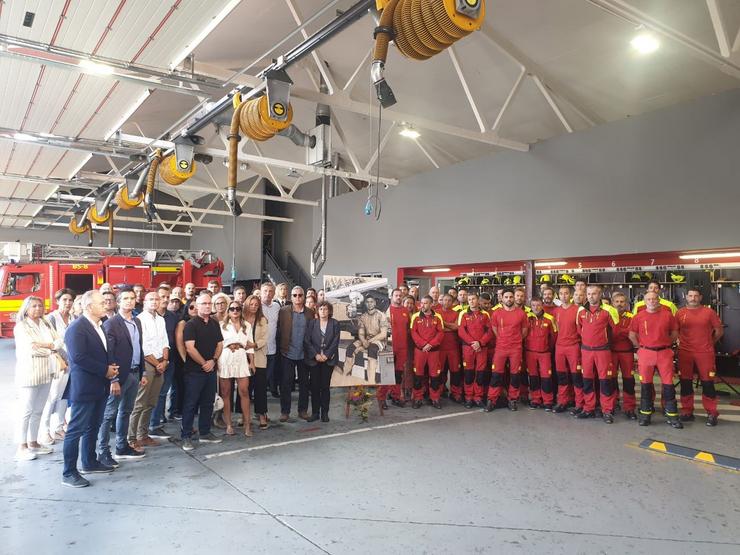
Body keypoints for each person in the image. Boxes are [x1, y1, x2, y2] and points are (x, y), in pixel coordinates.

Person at [62, 290, 119, 487]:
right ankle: (68, 472)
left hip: (99, 385)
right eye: (101, 302)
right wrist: (105, 370)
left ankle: (89, 461)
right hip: (85, 386)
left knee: (93, 425)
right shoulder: (76, 328)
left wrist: (110, 370)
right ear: (88, 306)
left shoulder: (99, 326)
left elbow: (104, 352)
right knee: (75, 429)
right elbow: (78, 358)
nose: (106, 304)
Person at [98, 289, 146, 466]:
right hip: (119, 376)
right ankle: (103, 452)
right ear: (118, 302)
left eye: (132, 298)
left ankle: (121, 446)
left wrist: (143, 372)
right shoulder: (111, 324)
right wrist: (114, 380)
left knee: (126, 411)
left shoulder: (137, 322)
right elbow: (109, 354)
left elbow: (139, 347)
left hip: (134, 374)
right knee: (109, 414)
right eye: (125, 298)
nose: (129, 301)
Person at [14, 296, 63, 461]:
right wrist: (50, 349)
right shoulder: (22, 326)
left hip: (47, 372)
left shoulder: (46, 323)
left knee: (38, 410)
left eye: (40, 306)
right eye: (34, 306)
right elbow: (31, 349)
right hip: (29, 373)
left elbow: (59, 341)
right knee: (26, 411)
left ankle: (34, 443)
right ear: (26, 309)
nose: (37, 309)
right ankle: (22, 446)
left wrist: (46, 345)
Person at [629, 291, 682, 429]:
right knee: (646, 384)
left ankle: (672, 415)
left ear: (659, 300)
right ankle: (645, 415)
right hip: (646, 353)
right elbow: (632, 335)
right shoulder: (639, 316)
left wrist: (665, 343)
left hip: (664, 353)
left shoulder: (667, 315)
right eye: (649, 299)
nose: (652, 301)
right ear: (645, 301)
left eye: (654, 299)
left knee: (668, 384)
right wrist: (641, 346)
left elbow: (675, 333)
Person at [181, 293, 224, 451]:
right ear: (196, 306)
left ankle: (205, 433)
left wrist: (213, 360)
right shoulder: (191, 325)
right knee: (191, 404)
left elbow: (220, 344)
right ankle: (186, 436)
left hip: (210, 370)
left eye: (208, 303)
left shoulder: (214, 323)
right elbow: (190, 348)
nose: (207, 306)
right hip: (194, 372)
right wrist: (204, 363)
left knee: (208, 403)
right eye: (203, 303)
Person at [127, 292, 169, 449]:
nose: (155, 301)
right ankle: (131, 438)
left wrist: (164, 361)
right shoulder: (139, 319)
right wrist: (157, 363)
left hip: (161, 362)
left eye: (157, 299)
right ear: (144, 302)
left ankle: (142, 434)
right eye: (151, 299)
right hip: (147, 363)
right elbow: (142, 346)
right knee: (140, 402)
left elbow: (165, 341)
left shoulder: (161, 319)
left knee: (151, 401)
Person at [677, 288, 723, 426]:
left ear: (700, 297)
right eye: (690, 295)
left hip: (705, 353)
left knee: (707, 383)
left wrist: (709, 343)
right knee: (685, 382)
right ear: (686, 297)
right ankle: (687, 411)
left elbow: (719, 331)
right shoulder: (680, 313)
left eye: (696, 296)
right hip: (685, 352)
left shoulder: (709, 312)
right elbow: (674, 331)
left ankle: (712, 412)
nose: (693, 298)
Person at [576, 285, 620, 423]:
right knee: (587, 380)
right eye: (588, 293)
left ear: (600, 294)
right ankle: (589, 408)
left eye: (594, 293)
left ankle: (607, 410)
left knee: (605, 381)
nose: (591, 296)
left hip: (603, 351)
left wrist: (604, 342)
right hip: (586, 351)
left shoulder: (609, 310)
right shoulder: (581, 310)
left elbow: (616, 330)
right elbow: (579, 329)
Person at [39, 288, 74, 445]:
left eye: (70, 300)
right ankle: (45, 430)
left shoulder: (73, 317)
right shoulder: (50, 319)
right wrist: (61, 360)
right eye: (64, 300)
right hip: (58, 364)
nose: (67, 303)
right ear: (57, 301)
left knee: (65, 397)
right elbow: (51, 343)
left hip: (72, 363)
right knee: (52, 397)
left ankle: (59, 427)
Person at [278, 287, 315, 421]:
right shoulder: (283, 312)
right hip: (287, 352)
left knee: (304, 384)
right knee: (286, 383)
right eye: (295, 295)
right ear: (291, 297)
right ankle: (285, 411)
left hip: (304, 354)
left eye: (300, 295)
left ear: (304, 297)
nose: (298, 298)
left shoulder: (310, 313)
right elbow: (279, 330)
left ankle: (302, 410)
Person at [489, 289, 529, 411]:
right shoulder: (496, 313)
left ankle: (513, 399)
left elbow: (524, 331)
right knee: (496, 374)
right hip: (501, 348)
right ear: (502, 298)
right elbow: (495, 329)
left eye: (511, 297)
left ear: (513, 298)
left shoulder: (521, 314)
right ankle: (492, 399)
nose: (509, 299)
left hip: (516, 348)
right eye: (506, 297)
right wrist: (503, 339)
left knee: (515, 375)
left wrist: (515, 340)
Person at [218, 300, 254, 437]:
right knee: (226, 393)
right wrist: (230, 344)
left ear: (241, 310)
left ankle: (247, 425)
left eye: (237, 309)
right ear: (228, 310)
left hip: (241, 358)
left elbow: (250, 346)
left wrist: (252, 362)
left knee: (244, 392)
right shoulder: (222, 326)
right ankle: (228, 424)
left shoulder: (247, 326)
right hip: (226, 358)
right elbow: (219, 344)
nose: (235, 311)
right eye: (232, 308)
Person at [149, 285, 178, 438]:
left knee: (162, 393)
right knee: (151, 394)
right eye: (162, 297)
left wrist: (167, 360)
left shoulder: (173, 317)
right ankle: (151, 425)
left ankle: (156, 422)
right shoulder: (147, 317)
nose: (165, 300)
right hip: (152, 362)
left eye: (168, 297)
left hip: (169, 361)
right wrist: (157, 362)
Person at [304, 301, 340, 422]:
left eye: (325, 309)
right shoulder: (312, 323)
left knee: (325, 387)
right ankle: (315, 413)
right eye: (321, 309)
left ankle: (325, 413)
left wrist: (327, 355)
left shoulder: (334, 323)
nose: (323, 311)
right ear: (317, 311)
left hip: (328, 360)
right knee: (314, 387)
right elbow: (307, 341)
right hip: (314, 360)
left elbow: (336, 341)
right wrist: (315, 355)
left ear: (329, 311)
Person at [458, 292, 493, 409]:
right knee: (468, 373)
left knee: (480, 373)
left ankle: (478, 397)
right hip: (468, 348)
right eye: (469, 299)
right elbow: (461, 331)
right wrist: (472, 343)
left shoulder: (485, 315)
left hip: (482, 348)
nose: (471, 301)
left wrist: (480, 343)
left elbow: (489, 332)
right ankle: (468, 397)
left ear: (478, 300)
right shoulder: (463, 314)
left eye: (473, 299)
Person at [342, 296, 388, 384]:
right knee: (350, 348)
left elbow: (383, 334)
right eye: (367, 302)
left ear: (375, 303)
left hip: (378, 340)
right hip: (366, 339)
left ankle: (371, 380)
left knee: (372, 349)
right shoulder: (363, 317)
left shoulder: (381, 315)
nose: (369, 303)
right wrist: (363, 341)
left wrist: (368, 342)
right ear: (365, 304)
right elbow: (361, 333)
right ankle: (345, 373)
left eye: (371, 301)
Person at [410, 296, 445, 408]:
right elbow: (413, 332)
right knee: (418, 375)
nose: (423, 305)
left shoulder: (438, 317)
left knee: (435, 376)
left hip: (434, 351)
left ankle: (435, 398)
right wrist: (423, 344)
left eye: (425, 303)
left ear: (431, 304)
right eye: (422, 303)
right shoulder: (415, 316)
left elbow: (441, 333)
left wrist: (431, 344)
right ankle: (418, 398)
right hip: (420, 351)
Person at [524, 298, 557, 411]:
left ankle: (548, 401)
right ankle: (535, 399)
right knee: (533, 377)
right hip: (530, 353)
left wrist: (547, 348)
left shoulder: (550, 319)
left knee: (546, 377)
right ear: (531, 306)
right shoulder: (526, 318)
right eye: (533, 305)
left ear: (542, 305)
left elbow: (554, 337)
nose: (536, 307)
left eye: (538, 305)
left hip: (545, 353)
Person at [553, 286, 582, 414]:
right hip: (559, 347)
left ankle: (579, 403)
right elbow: (555, 330)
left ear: (570, 295)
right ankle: (562, 401)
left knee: (576, 376)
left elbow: (581, 329)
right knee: (561, 376)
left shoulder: (577, 310)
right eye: (561, 293)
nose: (563, 296)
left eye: (566, 293)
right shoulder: (555, 311)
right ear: (558, 296)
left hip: (573, 346)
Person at [610, 292, 637, 420]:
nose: (619, 304)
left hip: (627, 352)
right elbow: (610, 334)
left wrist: (619, 332)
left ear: (626, 304)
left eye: (622, 302)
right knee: (611, 380)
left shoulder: (632, 317)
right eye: (617, 302)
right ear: (612, 303)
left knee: (629, 381)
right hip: (611, 352)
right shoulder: (608, 315)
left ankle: (629, 407)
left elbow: (631, 333)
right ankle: (613, 403)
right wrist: (623, 332)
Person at [244, 294, 269, 430]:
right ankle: (243, 415)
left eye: (256, 304)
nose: (253, 307)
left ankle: (261, 415)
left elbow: (265, 339)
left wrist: (253, 345)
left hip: (259, 358)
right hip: (243, 358)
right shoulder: (241, 319)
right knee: (245, 389)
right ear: (247, 304)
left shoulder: (262, 320)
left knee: (260, 388)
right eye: (251, 304)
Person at [382, 288, 410, 408]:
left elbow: (407, 328)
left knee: (398, 374)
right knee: (386, 374)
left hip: (402, 348)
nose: (398, 297)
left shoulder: (405, 311)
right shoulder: (386, 311)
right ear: (391, 297)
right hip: (389, 347)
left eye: (400, 295)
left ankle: (396, 396)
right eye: (396, 295)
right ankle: (381, 398)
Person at [438, 294, 463, 403]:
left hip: (453, 348)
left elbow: (457, 327)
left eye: (449, 300)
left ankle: (455, 393)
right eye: (445, 300)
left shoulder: (456, 313)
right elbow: (438, 328)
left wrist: (444, 324)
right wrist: (450, 327)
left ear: (452, 302)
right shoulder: (436, 313)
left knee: (455, 372)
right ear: (441, 301)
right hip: (440, 347)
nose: (447, 302)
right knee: (440, 372)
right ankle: (439, 392)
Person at [260, 282, 281, 399]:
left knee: (268, 376)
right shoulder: (256, 306)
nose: (268, 294)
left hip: (272, 348)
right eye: (265, 291)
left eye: (270, 291)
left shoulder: (277, 306)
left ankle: (262, 399)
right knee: (258, 378)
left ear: (274, 293)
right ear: (261, 292)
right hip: (258, 349)